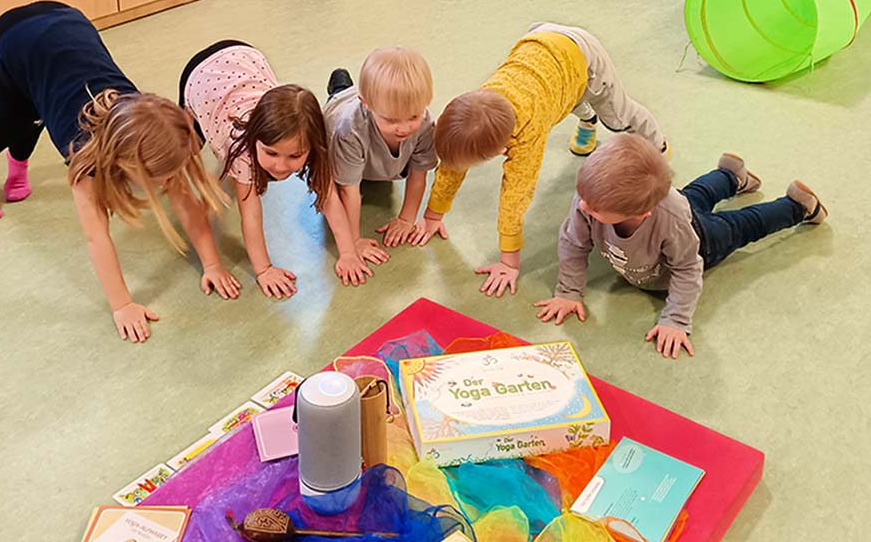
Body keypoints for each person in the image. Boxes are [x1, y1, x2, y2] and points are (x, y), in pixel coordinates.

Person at [0, 1, 237, 343]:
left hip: (69, 21)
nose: (169, 185)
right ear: (126, 165)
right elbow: (96, 236)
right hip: (18, 38)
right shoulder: (86, 162)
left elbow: (186, 202)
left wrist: (212, 264)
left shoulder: (157, 132)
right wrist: (122, 305)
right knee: (16, 120)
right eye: (161, 179)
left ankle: (19, 167)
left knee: (41, 108)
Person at [412, 23, 667, 296]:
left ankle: (658, 146)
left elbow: (516, 196)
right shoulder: (478, 106)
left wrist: (509, 262)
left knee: (617, 116)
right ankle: (586, 119)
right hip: (538, 41)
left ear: (502, 151)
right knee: (564, 97)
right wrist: (433, 215)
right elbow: (452, 166)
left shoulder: (526, 132)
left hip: (583, 56)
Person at [535, 135, 828, 358]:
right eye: (582, 195)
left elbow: (688, 268)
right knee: (696, 195)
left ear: (641, 213)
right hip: (678, 209)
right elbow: (573, 242)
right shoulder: (590, 200)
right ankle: (730, 176)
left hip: (703, 241)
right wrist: (569, 292)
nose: (582, 205)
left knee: (742, 225)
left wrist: (675, 319)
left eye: (594, 207)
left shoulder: (668, 220)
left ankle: (798, 207)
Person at [180, 40, 375, 299]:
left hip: (245, 57)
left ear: (312, 145)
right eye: (271, 153)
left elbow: (328, 197)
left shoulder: (314, 145)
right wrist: (263, 270)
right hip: (200, 76)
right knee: (187, 147)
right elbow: (250, 214)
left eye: (295, 156)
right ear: (256, 141)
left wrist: (348, 252)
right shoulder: (243, 147)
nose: (280, 166)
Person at [324, 47, 437, 252]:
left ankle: (348, 89)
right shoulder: (349, 131)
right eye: (391, 119)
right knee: (339, 97)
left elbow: (419, 176)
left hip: (377, 160)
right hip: (340, 109)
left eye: (413, 116)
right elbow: (349, 191)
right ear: (367, 104)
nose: (404, 128)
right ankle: (340, 88)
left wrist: (406, 219)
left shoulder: (426, 124)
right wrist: (354, 241)